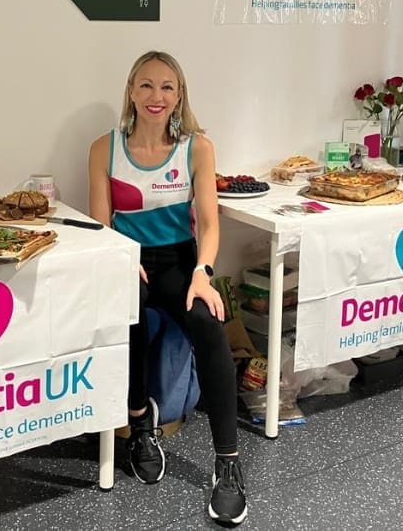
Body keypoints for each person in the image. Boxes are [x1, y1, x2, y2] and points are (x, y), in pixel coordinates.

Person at [88, 51, 247, 525]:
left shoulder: (197, 147)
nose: (156, 96)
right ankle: (141, 421)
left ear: (179, 96)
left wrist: (203, 272)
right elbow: (101, 225)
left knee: (208, 322)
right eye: (146, 85)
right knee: (128, 309)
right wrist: (122, 259)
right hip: (129, 260)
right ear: (131, 91)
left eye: (167, 87)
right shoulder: (103, 149)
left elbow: (210, 224)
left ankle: (228, 463)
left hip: (181, 262)